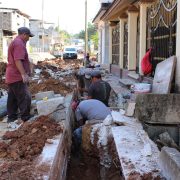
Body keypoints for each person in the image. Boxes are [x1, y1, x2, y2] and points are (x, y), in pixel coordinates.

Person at [5, 27, 34, 128]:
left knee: (12, 98)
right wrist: (23, 74)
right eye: (28, 36)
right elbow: (18, 60)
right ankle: (25, 117)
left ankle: (11, 117)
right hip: (17, 76)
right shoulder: (19, 43)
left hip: (11, 75)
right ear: (24, 34)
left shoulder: (16, 42)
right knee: (25, 96)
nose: (28, 39)